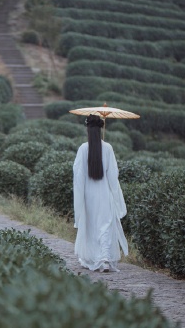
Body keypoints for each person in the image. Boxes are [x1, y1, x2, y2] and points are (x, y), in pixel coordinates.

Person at [73, 114, 129, 272]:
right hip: (104, 194)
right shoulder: (108, 148)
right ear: (101, 129)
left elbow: (78, 176)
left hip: (89, 195)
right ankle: (104, 258)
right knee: (105, 226)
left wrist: (80, 197)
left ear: (88, 130)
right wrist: (115, 194)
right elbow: (113, 175)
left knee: (92, 226)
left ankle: (95, 257)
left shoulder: (83, 149)